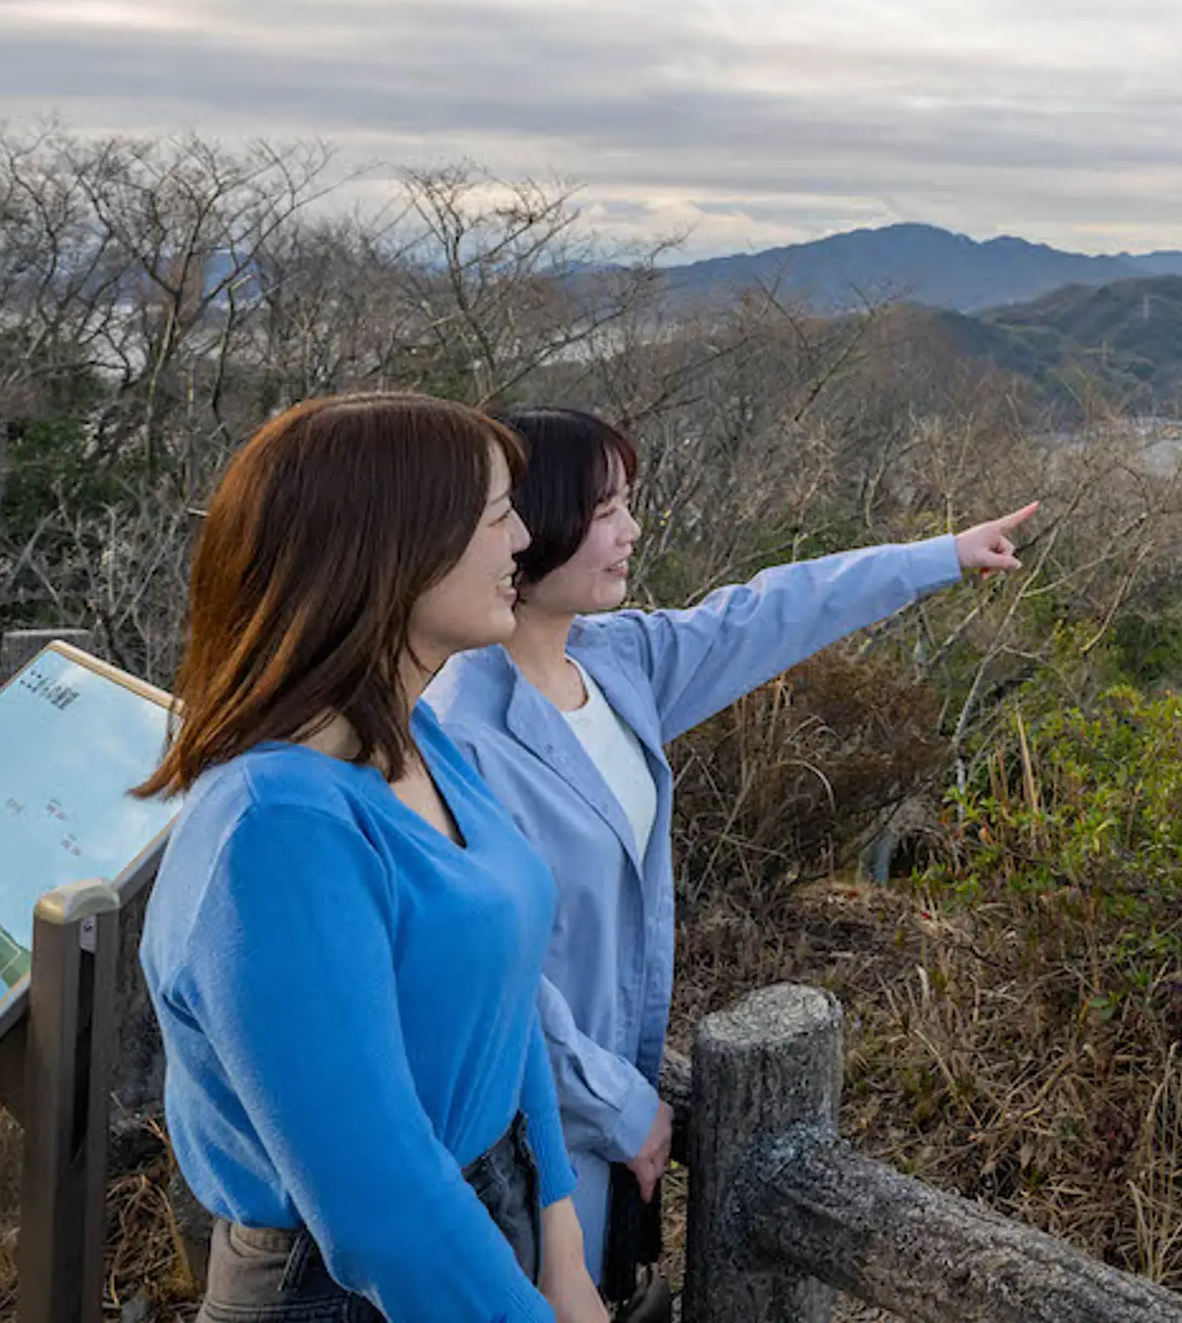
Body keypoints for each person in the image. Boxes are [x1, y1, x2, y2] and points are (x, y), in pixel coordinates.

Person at [430, 408, 1034, 1295]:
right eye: (606, 511)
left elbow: (769, 613)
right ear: (528, 525)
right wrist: (617, 1104)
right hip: (522, 1131)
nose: (631, 531)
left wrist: (938, 556)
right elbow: (480, 970)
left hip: (605, 1115)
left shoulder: (616, 662)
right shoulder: (459, 728)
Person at [137, 392, 602, 1323]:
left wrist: (561, 1246)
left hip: (482, 1225)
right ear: (391, 547)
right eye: (496, 516)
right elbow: (379, 1204)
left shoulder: (420, 740)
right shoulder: (277, 831)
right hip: (349, 1293)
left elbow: (505, 1007)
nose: (521, 543)